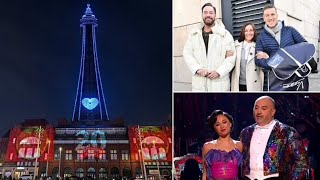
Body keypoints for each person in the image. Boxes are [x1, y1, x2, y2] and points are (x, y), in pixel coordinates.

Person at [239, 96, 309, 179]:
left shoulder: (286, 131)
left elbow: (302, 161)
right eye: (256, 108)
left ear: (273, 112)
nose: (258, 112)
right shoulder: (246, 132)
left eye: (264, 108)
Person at [183, 3, 236, 92]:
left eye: (211, 12)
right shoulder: (194, 35)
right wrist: (197, 69)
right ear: (202, 15)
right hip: (199, 84)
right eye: (205, 12)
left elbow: (231, 58)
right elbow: (187, 53)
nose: (208, 15)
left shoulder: (225, 35)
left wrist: (219, 72)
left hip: (219, 84)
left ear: (215, 15)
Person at [255, 5, 308, 91]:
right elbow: (258, 60)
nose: (270, 17)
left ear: (277, 15)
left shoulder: (290, 30)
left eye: (272, 14)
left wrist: (271, 59)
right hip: (277, 79)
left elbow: (305, 46)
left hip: (296, 77)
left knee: (299, 102)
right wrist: (274, 63)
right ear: (263, 18)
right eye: (267, 15)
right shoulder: (260, 37)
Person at [202, 110, 242, 180]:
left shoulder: (239, 145)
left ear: (230, 124)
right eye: (217, 124)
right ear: (214, 128)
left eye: (224, 122)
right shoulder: (208, 147)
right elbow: (205, 173)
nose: (222, 126)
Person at [231, 23, 263, 91]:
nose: (248, 33)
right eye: (246, 31)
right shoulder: (236, 45)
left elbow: (263, 66)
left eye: (251, 30)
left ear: (254, 32)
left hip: (253, 84)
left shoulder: (259, 46)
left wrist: (265, 56)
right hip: (239, 84)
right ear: (243, 32)